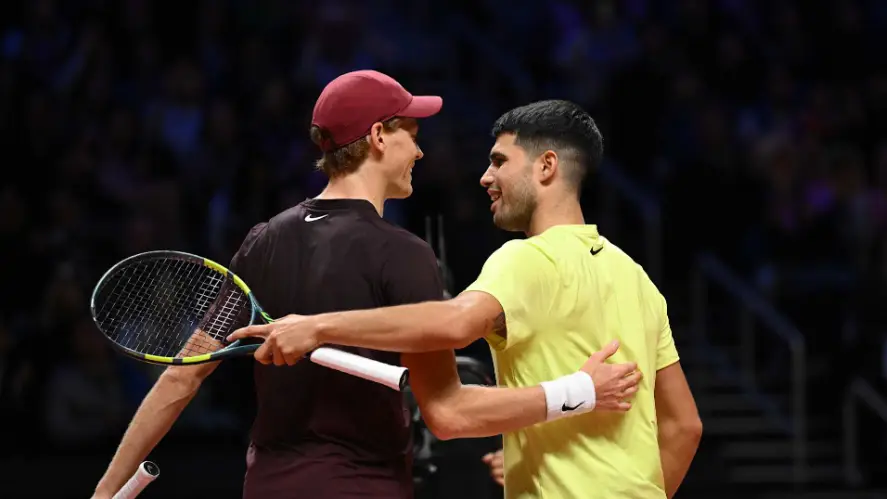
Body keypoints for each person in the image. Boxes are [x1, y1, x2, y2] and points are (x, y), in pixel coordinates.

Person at [92, 74, 641, 499]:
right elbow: (449, 414)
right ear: (378, 136)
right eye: (412, 137)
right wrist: (577, 392)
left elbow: (180, 377)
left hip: (267, 486)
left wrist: (105, 490)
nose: (419, 153)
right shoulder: (404, 254)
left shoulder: (262, 240)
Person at [228, 99, 704, 499]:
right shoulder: (637, 278)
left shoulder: (525, 259)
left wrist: (317, 326)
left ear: (546, 166)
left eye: (499, 161)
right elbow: (685, 427)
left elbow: (455, 325)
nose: (484, 177)